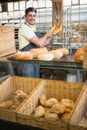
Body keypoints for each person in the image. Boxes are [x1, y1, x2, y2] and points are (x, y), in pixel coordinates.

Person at [17, 7, 55, 78]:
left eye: (34, 16)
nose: (32, 18)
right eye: (30, 16)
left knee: (35, 85)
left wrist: (51, 36)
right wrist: (46, 35)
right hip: (26, 63)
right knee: (27, 86)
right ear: (25, 17)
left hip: (34, 62)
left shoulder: (33, 29)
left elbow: (42, 45)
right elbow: (39, 43)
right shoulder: (24, 28)